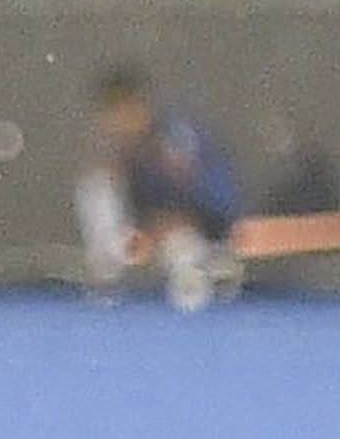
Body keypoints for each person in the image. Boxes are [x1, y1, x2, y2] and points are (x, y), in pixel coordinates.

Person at [79, 62, 246, 306]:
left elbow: (208, 198)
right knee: (96, 187)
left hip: (199, 229)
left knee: (181, 247)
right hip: (145, 236)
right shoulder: (120, 153)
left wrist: (175, 224)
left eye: (125, 109)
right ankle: (106, 275)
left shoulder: (175, 135)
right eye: (112, 112)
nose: (118, 119)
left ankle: (206, 271)